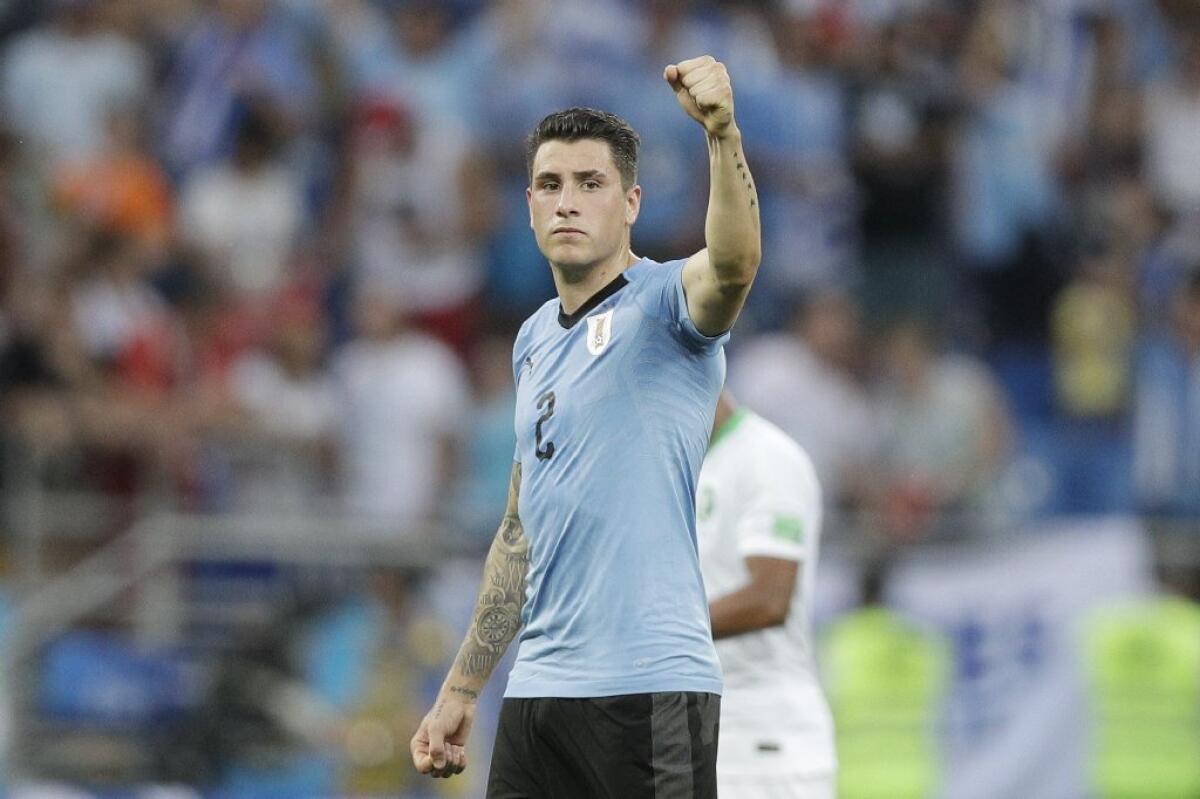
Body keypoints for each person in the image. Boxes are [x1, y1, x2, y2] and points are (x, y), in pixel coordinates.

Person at [409, 54, 762, 797]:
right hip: (540, 694)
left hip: (650, 687)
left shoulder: (665, 302)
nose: (567, 201)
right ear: (530, 205)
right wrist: (463, 688)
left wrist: (722, 136)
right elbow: (519, 529)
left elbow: (732, 266)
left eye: (591, 184)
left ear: (630, 202)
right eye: (550, 185)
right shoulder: (533, 339)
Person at [696, 390, 838, 798]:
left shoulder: (768, 458)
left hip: (766, 738)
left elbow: (769, 599)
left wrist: (651, 635)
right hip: (700, 727)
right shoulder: (676, 469)